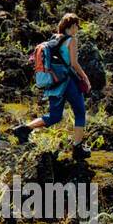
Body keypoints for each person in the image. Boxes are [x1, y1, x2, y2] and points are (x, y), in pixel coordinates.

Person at [12, 13, 92, 160]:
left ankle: (24, 129)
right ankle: (77, 148)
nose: (77, 29)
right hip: (68, 82)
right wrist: (85, 78)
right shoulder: (72, 40)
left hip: (55, 82)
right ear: (72, 26)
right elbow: (74, 63)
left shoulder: (55, 38)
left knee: (55, 116)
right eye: (77, 26)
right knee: (80, 112)